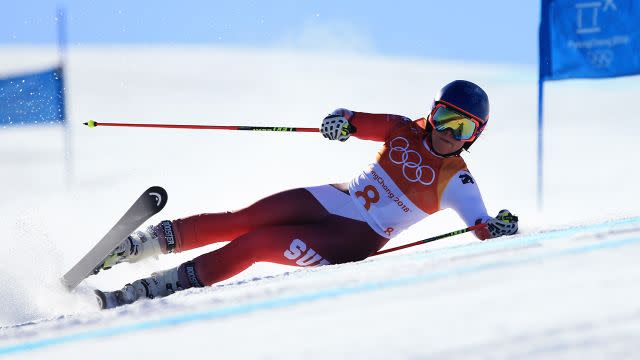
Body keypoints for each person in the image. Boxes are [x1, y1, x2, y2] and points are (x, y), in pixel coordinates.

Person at [95, 80, 519, 309]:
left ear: (474, 137)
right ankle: (136, 246)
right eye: (445, 118)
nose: (447, 133)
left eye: (461, 128)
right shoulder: (402, 128)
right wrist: (337, 124)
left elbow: (482, 228)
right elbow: (350, 119)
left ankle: (151, 289)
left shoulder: (457, 180)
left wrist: (499, 228)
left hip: (352, 240)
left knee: (257, 244)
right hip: (334, 198)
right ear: (432, 111)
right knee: (243, 217)